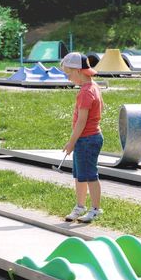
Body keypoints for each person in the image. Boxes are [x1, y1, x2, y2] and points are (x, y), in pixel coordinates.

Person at [60, 52, 104, 223]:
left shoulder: (85, 93)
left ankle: (95, 209)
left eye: (69, 74)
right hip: (85, 139)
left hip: (87, 139)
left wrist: (71, 142)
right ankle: (80, 206)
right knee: (80, 175)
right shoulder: (93, 87)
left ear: (78, 71)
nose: (68, 78)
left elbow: (81, 122)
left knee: (90, 175)